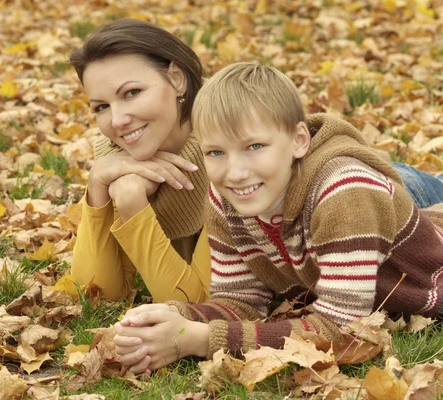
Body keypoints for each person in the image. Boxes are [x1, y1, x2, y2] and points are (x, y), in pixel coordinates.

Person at [113, 62, 443, 374]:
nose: (235, 172)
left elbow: (343, 330)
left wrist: (199, 339)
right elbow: (240, 302)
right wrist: (171, 318)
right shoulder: (226, 199)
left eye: (254, 146)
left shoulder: (344, 192)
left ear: (299, 140)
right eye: (216, 152)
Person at [68, 19, 211, 303]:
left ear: (177, 79)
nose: (118, 120)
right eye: (102, 107)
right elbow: (96, 294)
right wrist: (98, 185)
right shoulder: (116, 161)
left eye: (132, 93)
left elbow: (195, 306)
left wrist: (131, 201)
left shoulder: (229, 153)